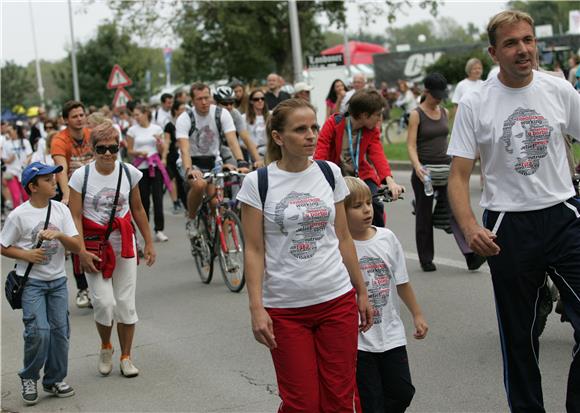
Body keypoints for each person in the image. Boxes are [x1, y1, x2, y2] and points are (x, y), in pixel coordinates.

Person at [447, 10, 580, 411]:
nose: (523, 49)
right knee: (520, 338)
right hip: (507, 226)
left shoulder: (558, 90)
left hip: (563, 216)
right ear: (494, 52)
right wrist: (470, 227)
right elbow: (458, 174)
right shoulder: (475, 103)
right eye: (511, 43)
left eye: (528, 40)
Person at [237, 98, 373, 412]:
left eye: (313, 127)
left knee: (340, 399)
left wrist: (361, 290)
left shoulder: (330, 173)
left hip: (336, 301)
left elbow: (343, 238)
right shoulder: (258, 183)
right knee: (302, 404)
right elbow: (255, 251)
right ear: (278, 137)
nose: (311, 134)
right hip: (285, 310)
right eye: (300, 129)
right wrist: (256, 308)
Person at [68, 121, 156, 378]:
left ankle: (126, 356)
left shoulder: (129, 173)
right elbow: (74, 216)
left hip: (124, 246)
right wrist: (81, 250)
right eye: (101, 148)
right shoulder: (80, 176)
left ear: (120, 147)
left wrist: (148, 242)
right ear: (92, 149)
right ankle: (106, 346)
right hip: (94, 247)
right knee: (104, 304)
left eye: (113, 148)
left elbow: (138, 209)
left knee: (126, 305)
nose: (108, 153)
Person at [343, 176, 428, 413]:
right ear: (341, 212)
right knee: (372, 402)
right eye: (357, 206)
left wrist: (417, 315)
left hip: (391, 334)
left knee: (402, 392)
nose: (367, 210)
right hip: (360, 341)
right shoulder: (340, 247)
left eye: (368, 203)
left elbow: (401, 282)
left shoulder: (386, 238)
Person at [1, 162, 81, 406]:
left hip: (57, 281)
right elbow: (3, 246)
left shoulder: (60, 210)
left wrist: (59, 235)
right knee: (39, 332)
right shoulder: (19, 215)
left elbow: (77, 247)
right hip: (32, 283)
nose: (54, 182)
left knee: (60, 333)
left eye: (53, 178)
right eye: (47, 180)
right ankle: (29, 376)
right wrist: (26, 255)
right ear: (33, 187)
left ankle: (54, 379)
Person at [407, 73, 486, 272]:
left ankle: (470, 255)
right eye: (435, 95)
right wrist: (417, 166)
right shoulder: (416, 114)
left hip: (445, 168)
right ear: (426, 92)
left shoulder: (444, 112)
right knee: (423, 216)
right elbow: (410, 145)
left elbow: (447, 139)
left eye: (441, 95)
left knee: (455, 211)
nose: (438, 99)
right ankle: (426, 259)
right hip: (424, 172)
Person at [314, 89, 404, 227]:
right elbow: (321, 153)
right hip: (335, 176)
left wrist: (390, 181)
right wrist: (320, 181)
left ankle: (377, 239)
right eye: (377, 115)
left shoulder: (372, 129)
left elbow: (377, 154)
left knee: (375, 204)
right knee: (336, 212)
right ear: (364, 115)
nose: (380, 119)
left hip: (360, 175)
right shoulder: (334, 123)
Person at [175, 83, 248, 227]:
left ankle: (218, 245)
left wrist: (241, 162)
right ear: (192, 100)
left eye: (206, 98)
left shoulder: (221, 113)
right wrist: (189, 170)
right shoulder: (185, 118)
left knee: (216, 203)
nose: (204, 102)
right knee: (199, 184)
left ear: (211, 97)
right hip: (191, 161)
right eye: (199, 99)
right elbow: (184, 149)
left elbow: (233, 141)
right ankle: (191, 219)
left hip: (213, 161)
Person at [51, 101, 95, 308]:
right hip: (72, 191)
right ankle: (83, 288)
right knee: (77, 241)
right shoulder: (60, 140)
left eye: (81, 114)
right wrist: (67, 196)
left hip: (95, 190)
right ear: (65, 120)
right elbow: (62, 169)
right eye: (75, 116)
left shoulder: (91, 134)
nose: (79, 118)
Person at [126, 104, 170, 243]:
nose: (136, 117)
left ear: (146, 114)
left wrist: (159, 143)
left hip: (155, 166)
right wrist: (139, 153)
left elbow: (162, 149)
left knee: (158, 199)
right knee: (143, 200)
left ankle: (159, 229)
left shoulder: (156, 129)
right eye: (134, 115)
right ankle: (144, 232)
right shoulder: (132, 130)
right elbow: (129, 150)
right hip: (140, 167)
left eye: (138, 114)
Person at [213, 86, 263, 167]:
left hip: (228, 146)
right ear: (216, 103)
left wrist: (258, 161)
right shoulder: (211, 113)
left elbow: (246, 138)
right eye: (225, 103)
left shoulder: (235, 114)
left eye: (232, 103)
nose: (229, 106)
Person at [164, 100, 188, 213]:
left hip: (184, 154)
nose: (184, 111)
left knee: (182, 180)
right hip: (172, 155)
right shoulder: (169, 125)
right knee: (172, 179)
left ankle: (186, 202)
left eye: (185, 109)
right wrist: (164, 156)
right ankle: (175, 202)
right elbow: (167, 141)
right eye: (181, 109)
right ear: (175, 111)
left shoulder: (188, 123)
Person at [2, 122, 33, 208]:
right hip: (11, 173)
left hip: (23, 173)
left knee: (26, 196)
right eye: (7, 132)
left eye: (10, 131)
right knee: (15, 196)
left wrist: (27, 161)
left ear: (16, 130)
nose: (8, 133)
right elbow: (4, 160)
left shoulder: (25, 142)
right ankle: (17, 217)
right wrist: (10, 159)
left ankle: (27, 214)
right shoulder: (6, 144)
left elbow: (30, 154)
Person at [243, 89, 270, 159]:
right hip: (252, 152)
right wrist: (251, 147)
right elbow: (241, 140)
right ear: (251, 101)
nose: (260, 101)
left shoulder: (271, 115)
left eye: (262, 99)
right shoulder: (244, 117)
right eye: (256, 99)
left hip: (269, 150)